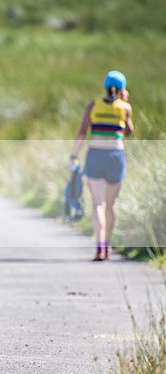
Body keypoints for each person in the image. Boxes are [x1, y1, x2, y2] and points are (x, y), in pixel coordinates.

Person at [70, 70, 134, 261]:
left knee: (98, 203)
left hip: (95, 155)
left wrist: (74, 155)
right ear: (122, 88)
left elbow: (82, 133)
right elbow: (128, 131)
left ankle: (100, 246)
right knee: (110, 204)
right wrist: (124, 102)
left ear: (105, 87)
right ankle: (107, 243)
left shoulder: (93, 106)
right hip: (115, 156)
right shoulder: (125, 108)